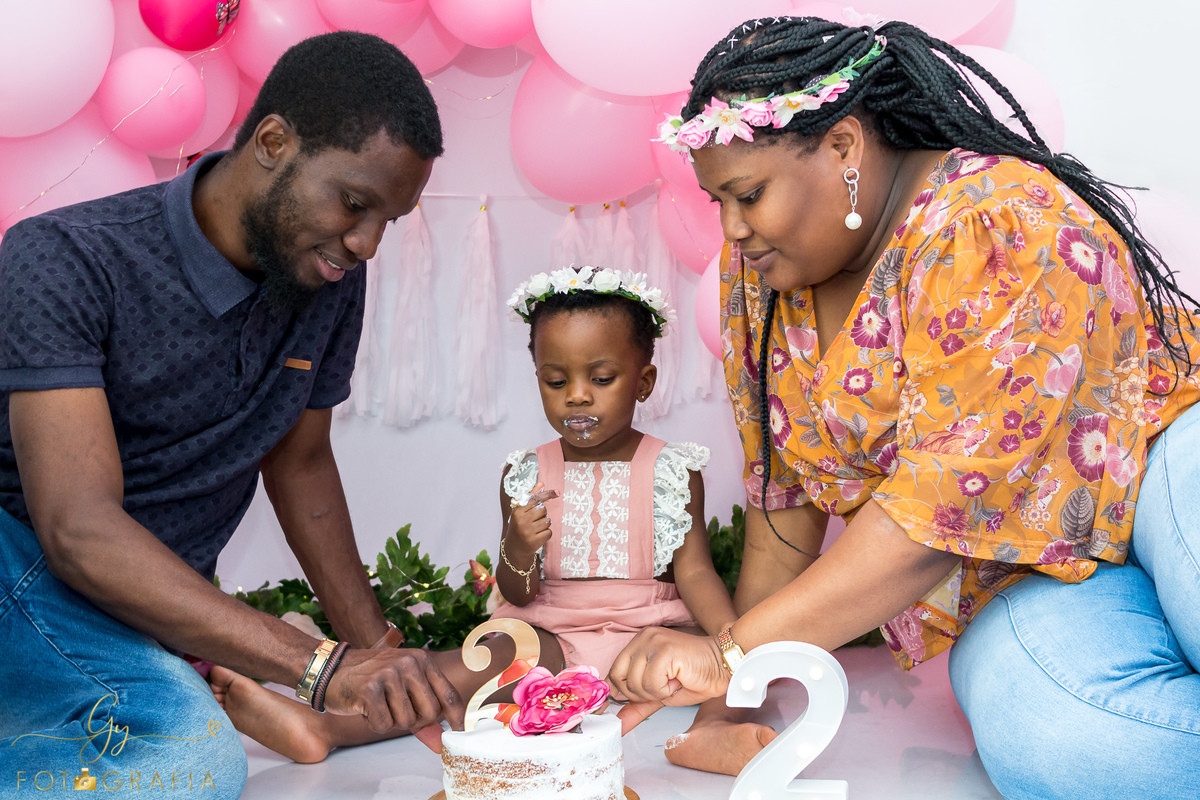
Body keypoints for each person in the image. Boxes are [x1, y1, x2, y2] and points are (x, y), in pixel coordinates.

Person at [613, 16, 1200, 798]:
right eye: (717, 199)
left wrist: (729, 653)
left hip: (1168, 459)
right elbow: (783, 505)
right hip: (1036, 568)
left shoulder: (995, 220)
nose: (732, 227)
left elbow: (934, 518)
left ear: (845, 148)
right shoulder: (760, 282)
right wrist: (725, 704)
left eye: (749, 195)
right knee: (1058, 737)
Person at [0, 32, 463, 798]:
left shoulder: (329, 277)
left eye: (389, 219)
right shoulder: (65, 256)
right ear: (274, 141)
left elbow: (300, 461)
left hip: (140, 610)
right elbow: (77, 529)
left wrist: (379, 655)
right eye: (354, 204)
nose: (367, 243)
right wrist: (318, 667)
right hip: (27, 572)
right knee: (197, 764)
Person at [205, 266, 740, 763]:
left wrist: (733, 646)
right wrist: (520, 551)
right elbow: (520, 591)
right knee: (466, 667)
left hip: (643, 634)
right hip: (551, 632)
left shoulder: (671, 468)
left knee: (679, 667)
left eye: (601, 379)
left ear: (643, 382)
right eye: (556, 381)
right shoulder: (526, 473)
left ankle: (716, 732)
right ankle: (324, 729)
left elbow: (693, 572)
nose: (577, 397)